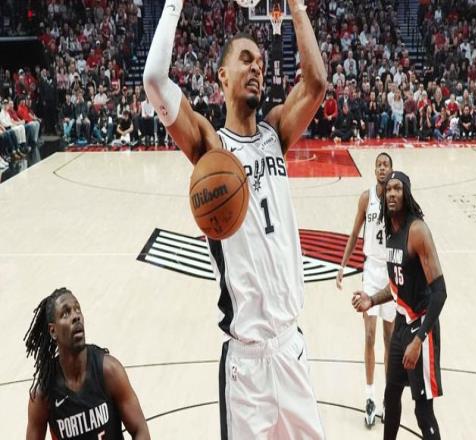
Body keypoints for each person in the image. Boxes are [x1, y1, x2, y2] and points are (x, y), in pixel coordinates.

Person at [143, 0, 327, 438]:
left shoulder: (276, 131)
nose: (256, 66)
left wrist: (296, 5)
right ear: (222, 76)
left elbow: (316, 83)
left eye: (260, 61)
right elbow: (154, 80)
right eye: (246, 59)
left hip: (291, 348)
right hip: (246, 367)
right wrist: (175, 4)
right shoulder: (211, 147)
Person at [352, 171, 447, 440]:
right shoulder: (390, 233)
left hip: (421, 328)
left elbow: (440, 293)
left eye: (397, 188)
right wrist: (372, 299)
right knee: (391, 396)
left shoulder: (417, 231)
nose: (392, 193)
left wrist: (418, 340)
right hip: (402, 325)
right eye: (389, 190)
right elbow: (396, 286)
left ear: (406, 194)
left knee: (422, 411)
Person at [24, 288, 150, 439]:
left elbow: (140, 430)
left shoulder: (109, 371)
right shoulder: (43, 394)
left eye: (77, 309)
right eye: (66, 313)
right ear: (53, 331)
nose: (75, 316)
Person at [337, 152, 395, 427]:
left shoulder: (397, 199)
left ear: (391, 170)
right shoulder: (366, 198)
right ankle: (370, 396)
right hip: (371, 271)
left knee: (389, 339)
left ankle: (388, 397)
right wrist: (342, 265)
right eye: (378, 165)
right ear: (374, 170)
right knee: (369, 336)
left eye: (386, 164)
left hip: (391, 272)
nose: (382, 168)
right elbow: (353, 233)